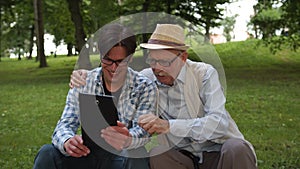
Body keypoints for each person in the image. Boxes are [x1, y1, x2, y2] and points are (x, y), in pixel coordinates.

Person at [69, 24, 258, 169]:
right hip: (180, 155)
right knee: (157, 154)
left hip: (218, 151)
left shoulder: (204, 74)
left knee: (237, 148)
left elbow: (218, 123)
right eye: (152, 59)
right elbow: (121, 76)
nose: (157, 67)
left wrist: (168, 126)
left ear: (183, 58)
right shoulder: (147, 78)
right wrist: (85, 75)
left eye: (164, 61)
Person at [33, 23, 157, 169]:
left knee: (137, 155)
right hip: (87, 153)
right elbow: (65, 124)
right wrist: (67, 141)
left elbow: (143, 132)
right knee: (47, 153)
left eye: (120, 62)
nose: (113, 68)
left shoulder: (144, 87)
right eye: (107, 60)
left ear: (130, 58)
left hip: (121, 156)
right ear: (100, 53)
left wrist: (128, 138)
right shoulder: (83, 82)